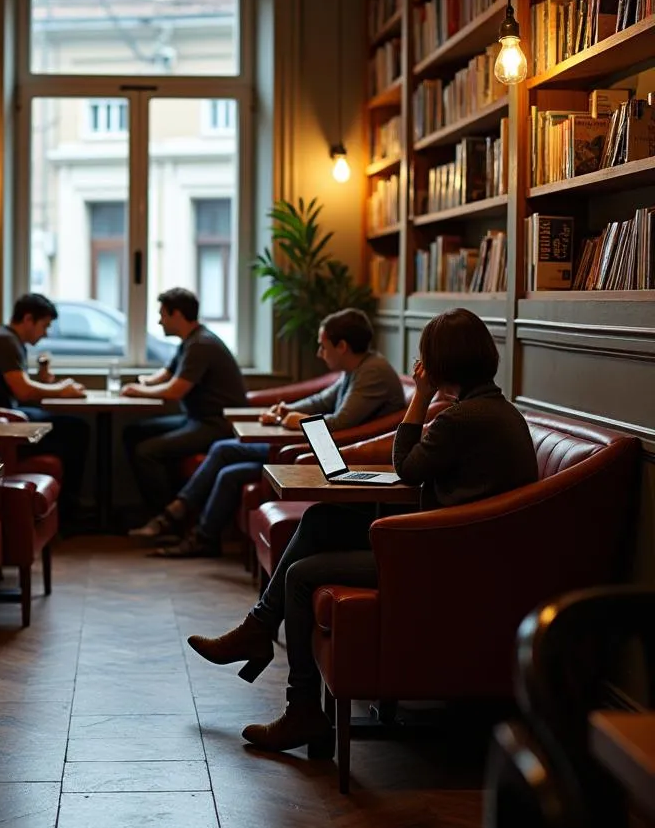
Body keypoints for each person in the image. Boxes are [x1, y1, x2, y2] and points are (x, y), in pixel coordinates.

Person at [186, 308, 537, 756]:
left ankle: (302, 712)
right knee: (319, 519)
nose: (419, 365)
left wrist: (422, 395)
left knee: (301, 575)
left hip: (443, 557)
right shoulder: (490, 410)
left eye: (425, 357)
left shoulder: (463, 419)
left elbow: (406, 467)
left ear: (440, 362)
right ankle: (258, 630)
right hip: (448, 544)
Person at [130, 308, 405, 558]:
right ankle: (197, 532)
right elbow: (321, 400)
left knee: (224, 453)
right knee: (226, 464)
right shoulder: (358, 367)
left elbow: (342, 422)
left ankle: (184, 523)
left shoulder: (372, 372)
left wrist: (298, 421)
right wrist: (284, 409)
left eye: (322, 347)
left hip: (333, 455)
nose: (319, 353)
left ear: (342, 346)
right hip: (316, 448)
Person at [0, 293, 89, 519]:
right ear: (28, 319)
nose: (46, 333)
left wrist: (45, 381)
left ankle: (68, 508)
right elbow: (23, 391)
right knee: (76, 430)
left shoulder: (8, 339)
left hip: (4, 418)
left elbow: (20, 388)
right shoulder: (5, 341)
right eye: (44, 326)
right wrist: (61, 390)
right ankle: (69, 512)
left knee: (71, 428)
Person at [122, 287, 247, 514]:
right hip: (195, 419)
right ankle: (156, 507)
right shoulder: (191, 341)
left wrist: (137, 392)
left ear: (177, 314)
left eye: (163, 315)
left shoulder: (201, 344)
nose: (160, 322)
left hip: (216, 424)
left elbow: (174, 391)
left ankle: (164, 517)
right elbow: (167, 375)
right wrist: (142, 383)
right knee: (133, 432)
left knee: (146, 451)